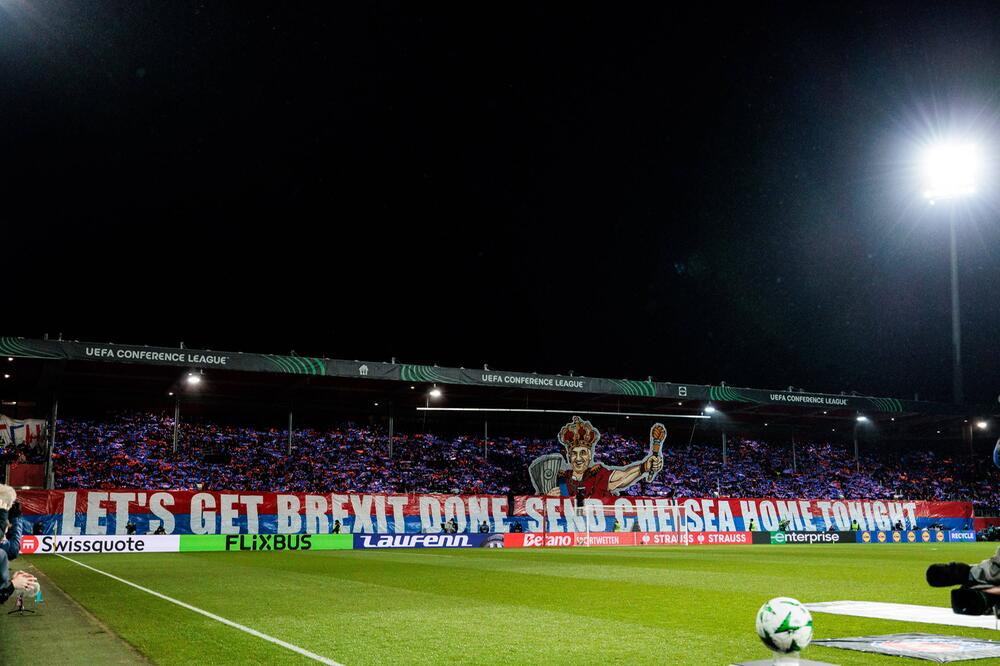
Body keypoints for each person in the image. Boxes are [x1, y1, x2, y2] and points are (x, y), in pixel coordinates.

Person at [538, 417, 664, 501]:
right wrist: (547, 498)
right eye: (574, 454)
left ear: (589, 456)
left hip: (599, 531)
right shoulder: (561, 479)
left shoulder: (598, 475)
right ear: (569, 457)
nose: (578, 458)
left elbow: (622, 477)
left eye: (582, 453)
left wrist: (644, 467)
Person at [927, 546, 1000, 616]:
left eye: (948, 565)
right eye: (950, 569)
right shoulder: (975, 593)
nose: (953, 563)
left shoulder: (976, 585)